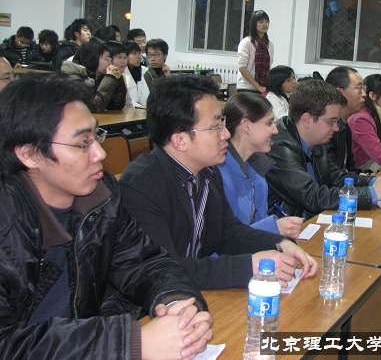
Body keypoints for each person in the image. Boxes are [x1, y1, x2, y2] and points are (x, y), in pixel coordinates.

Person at [0, 73, 213, 360]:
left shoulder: (101, 197)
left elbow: (145, 262)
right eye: (82, 143)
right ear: (29, 154)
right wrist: (131, 342)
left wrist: (175, 302)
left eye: (96, 136)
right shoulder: (7, 223)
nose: (100, 153)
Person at [119, 76, 318, 290]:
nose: (226, 134)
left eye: (222, 123)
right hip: (155, 302)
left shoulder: (207, 172)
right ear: (180, 140)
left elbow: (228, 233)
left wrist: (280, 243)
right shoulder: (141, 185)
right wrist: (248, 266)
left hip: (194, 292)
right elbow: (161, 268)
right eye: (216, 127)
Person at [266, 79, 381, 219]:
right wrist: (371, 193)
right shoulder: (280, 147)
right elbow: (312, 197)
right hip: (292, 225)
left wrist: (373, 182)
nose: (336, 128)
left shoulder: (315, 139)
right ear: (307, 119)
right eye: (331, 121)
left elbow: (334, 176)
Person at [218, 93, 304, 238]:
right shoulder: (219, 174)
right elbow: (225, 239)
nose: (276, 130)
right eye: (269, 123)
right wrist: (273, 227)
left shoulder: (257, 169)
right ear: (246, 125)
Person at [61, 39, 122, 113]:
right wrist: (109, 78)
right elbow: (95, 107)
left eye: (110, 59)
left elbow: (116, 106)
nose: (110, 62)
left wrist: (117, 79)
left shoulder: (98, 75)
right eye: (106, 58)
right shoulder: (73, 76)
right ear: (92, 58)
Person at [325, 66, 367, 172]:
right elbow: (331, 174)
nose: (364, 94)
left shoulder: (344, 124)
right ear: (340, 92)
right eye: (359, 88)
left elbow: (350, 168)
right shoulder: (325, 127)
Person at [237, 10, 274, 93]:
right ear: (254, 24)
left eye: (266, 21)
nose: (265, 24)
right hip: (246, 87)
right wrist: (258, 86)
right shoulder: (246, 42)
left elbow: (268, 68)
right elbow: (242, 68)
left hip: (263, 87)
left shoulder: (269, 45)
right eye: (261, 22)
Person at [104, 40, 130, 110]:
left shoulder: (121, 76)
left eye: (125, 57)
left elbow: (128, 103)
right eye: (119, 57)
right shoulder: (104, 78)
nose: (123, 61)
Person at [123, 39, 150, 107]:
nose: (138, 57)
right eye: (134, 53)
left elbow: (145, 96)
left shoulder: (143, 71)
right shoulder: (122, 73)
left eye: (139, 53)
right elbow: (128, 101)